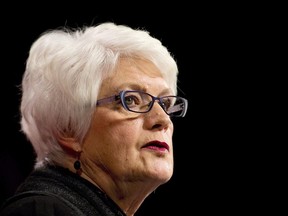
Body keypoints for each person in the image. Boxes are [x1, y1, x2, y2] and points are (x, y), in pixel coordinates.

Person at [0, 22, 188, 216]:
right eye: (131, 100)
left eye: (165, 104)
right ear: (69, 128)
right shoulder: (41, 212)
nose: (162, 119)